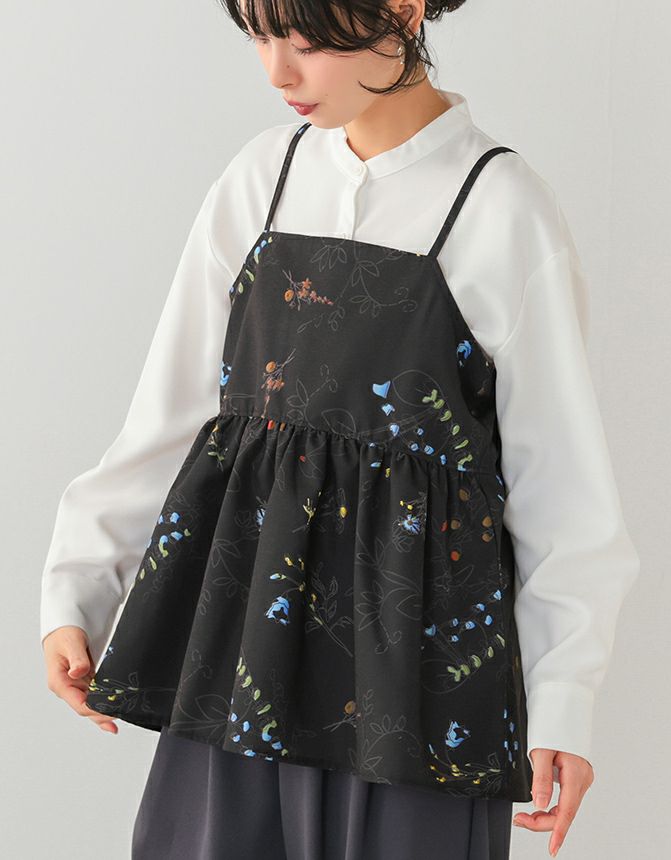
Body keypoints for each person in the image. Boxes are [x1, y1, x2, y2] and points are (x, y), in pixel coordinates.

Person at [40, 0, 640, 857]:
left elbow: (562, 493)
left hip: (417, 692)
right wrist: (78, 590)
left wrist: (564, 703)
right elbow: (171, 419)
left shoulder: (501, 209)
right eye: (259, 34)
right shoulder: (262, 180)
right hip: (241, 658)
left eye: (307, 38)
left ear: (402, 8)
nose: (277, 71)